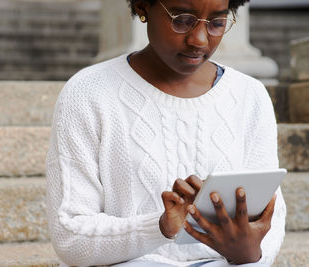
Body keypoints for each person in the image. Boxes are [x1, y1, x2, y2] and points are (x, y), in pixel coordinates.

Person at [46, 0, 286, 266]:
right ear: (142, 7)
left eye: (217, 23)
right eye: (182, 19)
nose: (199, 39)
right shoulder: (88, 92)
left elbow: (270, 221)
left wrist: (250, 252)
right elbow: (70, 236)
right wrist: (160, 227)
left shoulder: (249, 96)